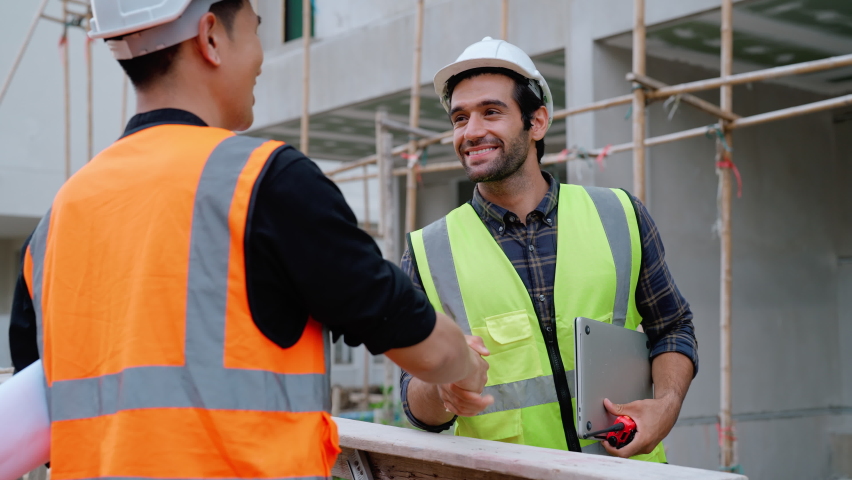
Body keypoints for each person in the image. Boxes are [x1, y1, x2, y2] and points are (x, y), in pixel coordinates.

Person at [7, 1, 488, 478]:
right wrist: (464, 363)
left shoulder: (59, 217)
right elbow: (412, 334)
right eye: (255, 29)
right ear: (211, 36)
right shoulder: (266, 182)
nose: (260, 56)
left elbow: (44, 420)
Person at [399, 37, 698, 462]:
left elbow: (672, 327)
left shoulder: (619, 214)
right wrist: (442, 384)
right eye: (460, 118)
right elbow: (414, 404)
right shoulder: (428, 251)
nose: (472, 131)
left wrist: (665, 409)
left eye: (491, 112)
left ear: (536, 122)